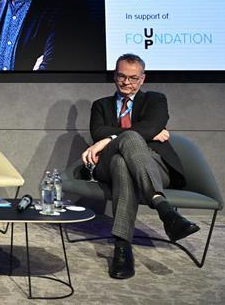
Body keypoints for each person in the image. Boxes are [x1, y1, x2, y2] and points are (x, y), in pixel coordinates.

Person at [84, 53, 198, 279]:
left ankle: (122, 248)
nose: (127, 83)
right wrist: (140, 132)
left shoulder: (156, 100)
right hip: (105, 166)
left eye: (133, 78)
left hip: (155, 165)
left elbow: (153, 124)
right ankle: (163, 208)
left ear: (142, 79)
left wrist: (109, 139)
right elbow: (98, 131)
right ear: (114, 76)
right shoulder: (101, 105)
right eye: (121, 76)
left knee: (121, 162)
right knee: (130, 141)